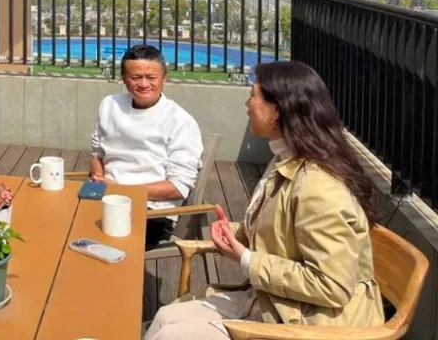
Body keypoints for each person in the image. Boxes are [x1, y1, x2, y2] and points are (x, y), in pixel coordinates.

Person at [145, 61, 384, 339]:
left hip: (313, 323)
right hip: (276, 301)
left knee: (175, 335)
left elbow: (331, 285)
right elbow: (287, 235)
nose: (247, 104)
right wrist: (237, 235)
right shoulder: (286, 157)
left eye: (253, 95)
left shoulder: (318, 187)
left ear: (277, 111)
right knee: (165, 317)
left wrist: (246, 258)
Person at [90, 44, 203, 250]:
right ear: (124, 79)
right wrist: (98, 176)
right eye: (135, 77)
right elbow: (97, 153)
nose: (143, 84)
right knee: (59, 220)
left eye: (151, 77)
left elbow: (179, 188)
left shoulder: (180, 121)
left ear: (164, 78)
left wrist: (121, 190)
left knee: (85, 234)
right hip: (104, 198)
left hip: (151, 210)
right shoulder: (109, 105)